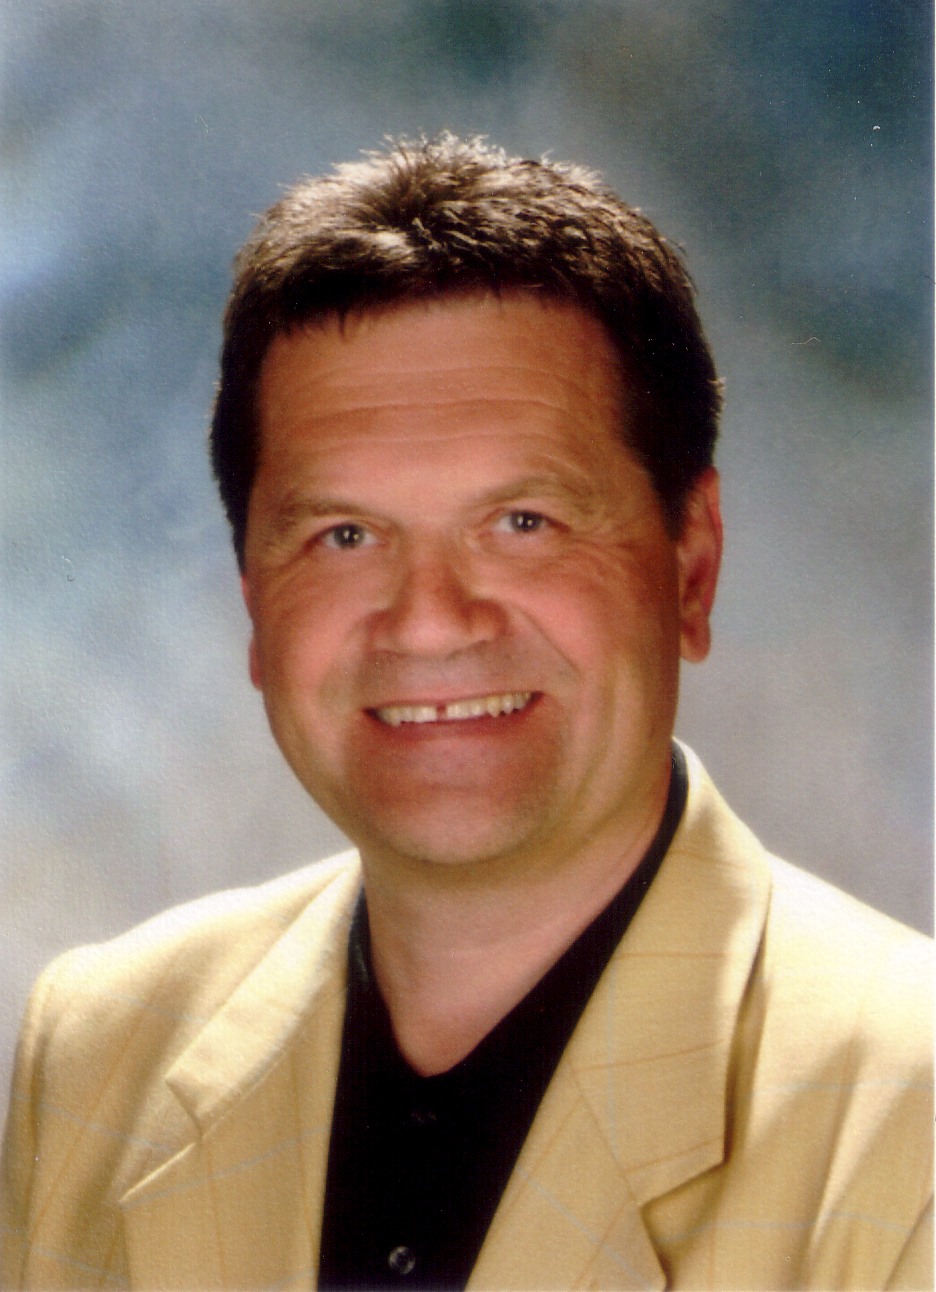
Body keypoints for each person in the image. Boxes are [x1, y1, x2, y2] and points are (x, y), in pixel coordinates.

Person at [1, 134, 931, 1292]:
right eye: (344, 534)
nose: (430, 622)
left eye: (523, 522)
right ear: (253, 603)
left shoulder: (906, 1107)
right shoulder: (102, 1050)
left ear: (691, 565)